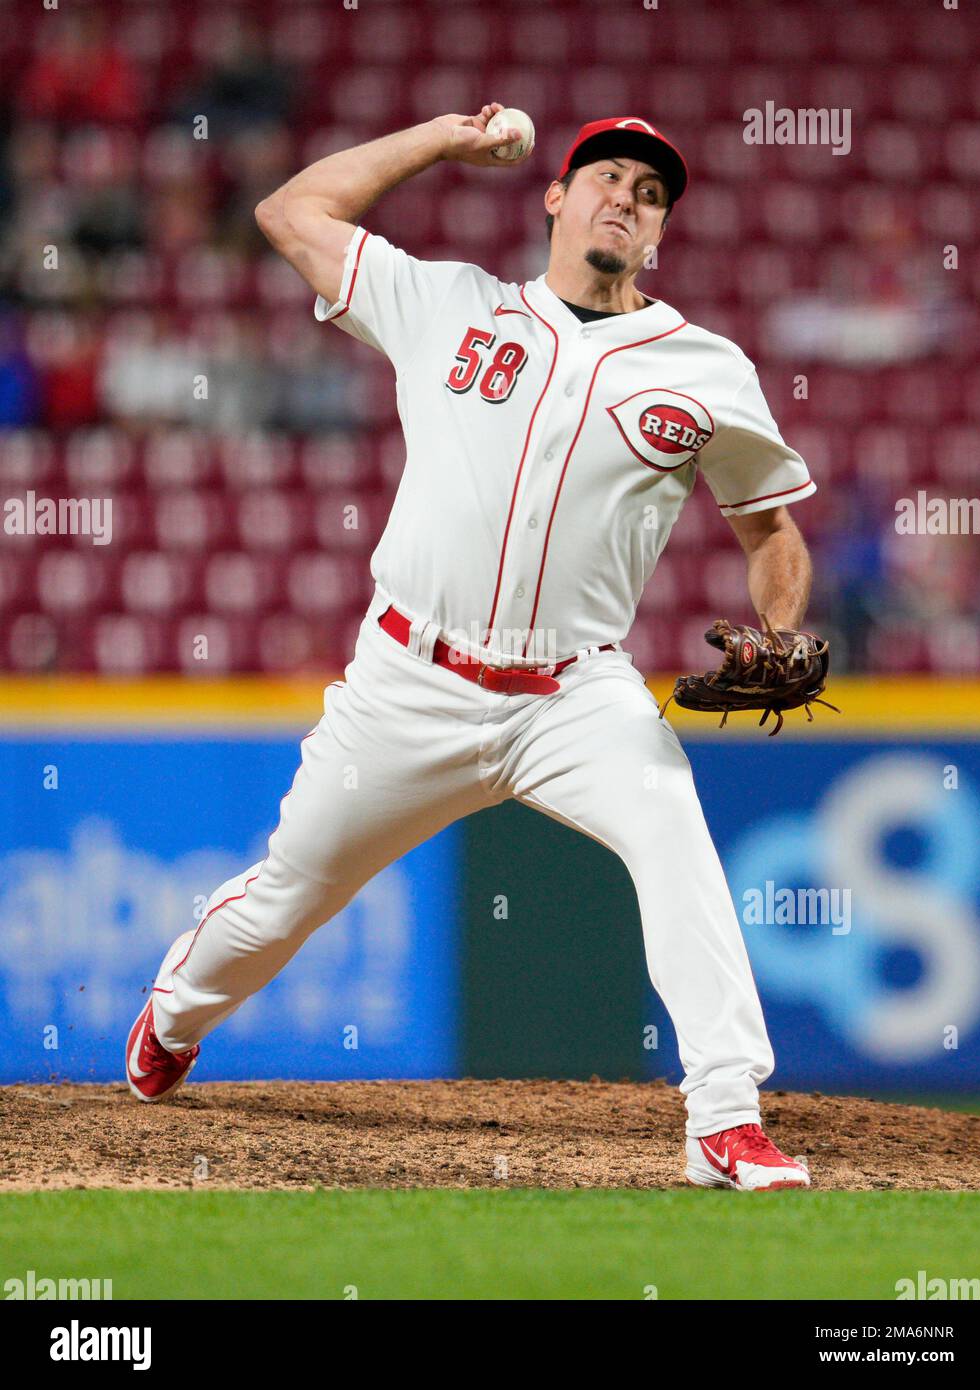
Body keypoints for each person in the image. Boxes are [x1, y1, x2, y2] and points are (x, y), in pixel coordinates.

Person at [126, 106, 817, 1192]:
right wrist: (439, 140)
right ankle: (175, 1013)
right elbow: (289, 211)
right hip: (410, 679)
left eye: (649, 192)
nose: (625, 198)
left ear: (659, 233)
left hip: (575, 693)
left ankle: (722, 1117)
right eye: (605, 177)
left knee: (675, 838)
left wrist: (779, 625)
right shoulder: (448, 304)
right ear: (553, 196)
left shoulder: (702, 367)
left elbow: (769, 528)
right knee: (287, 897)